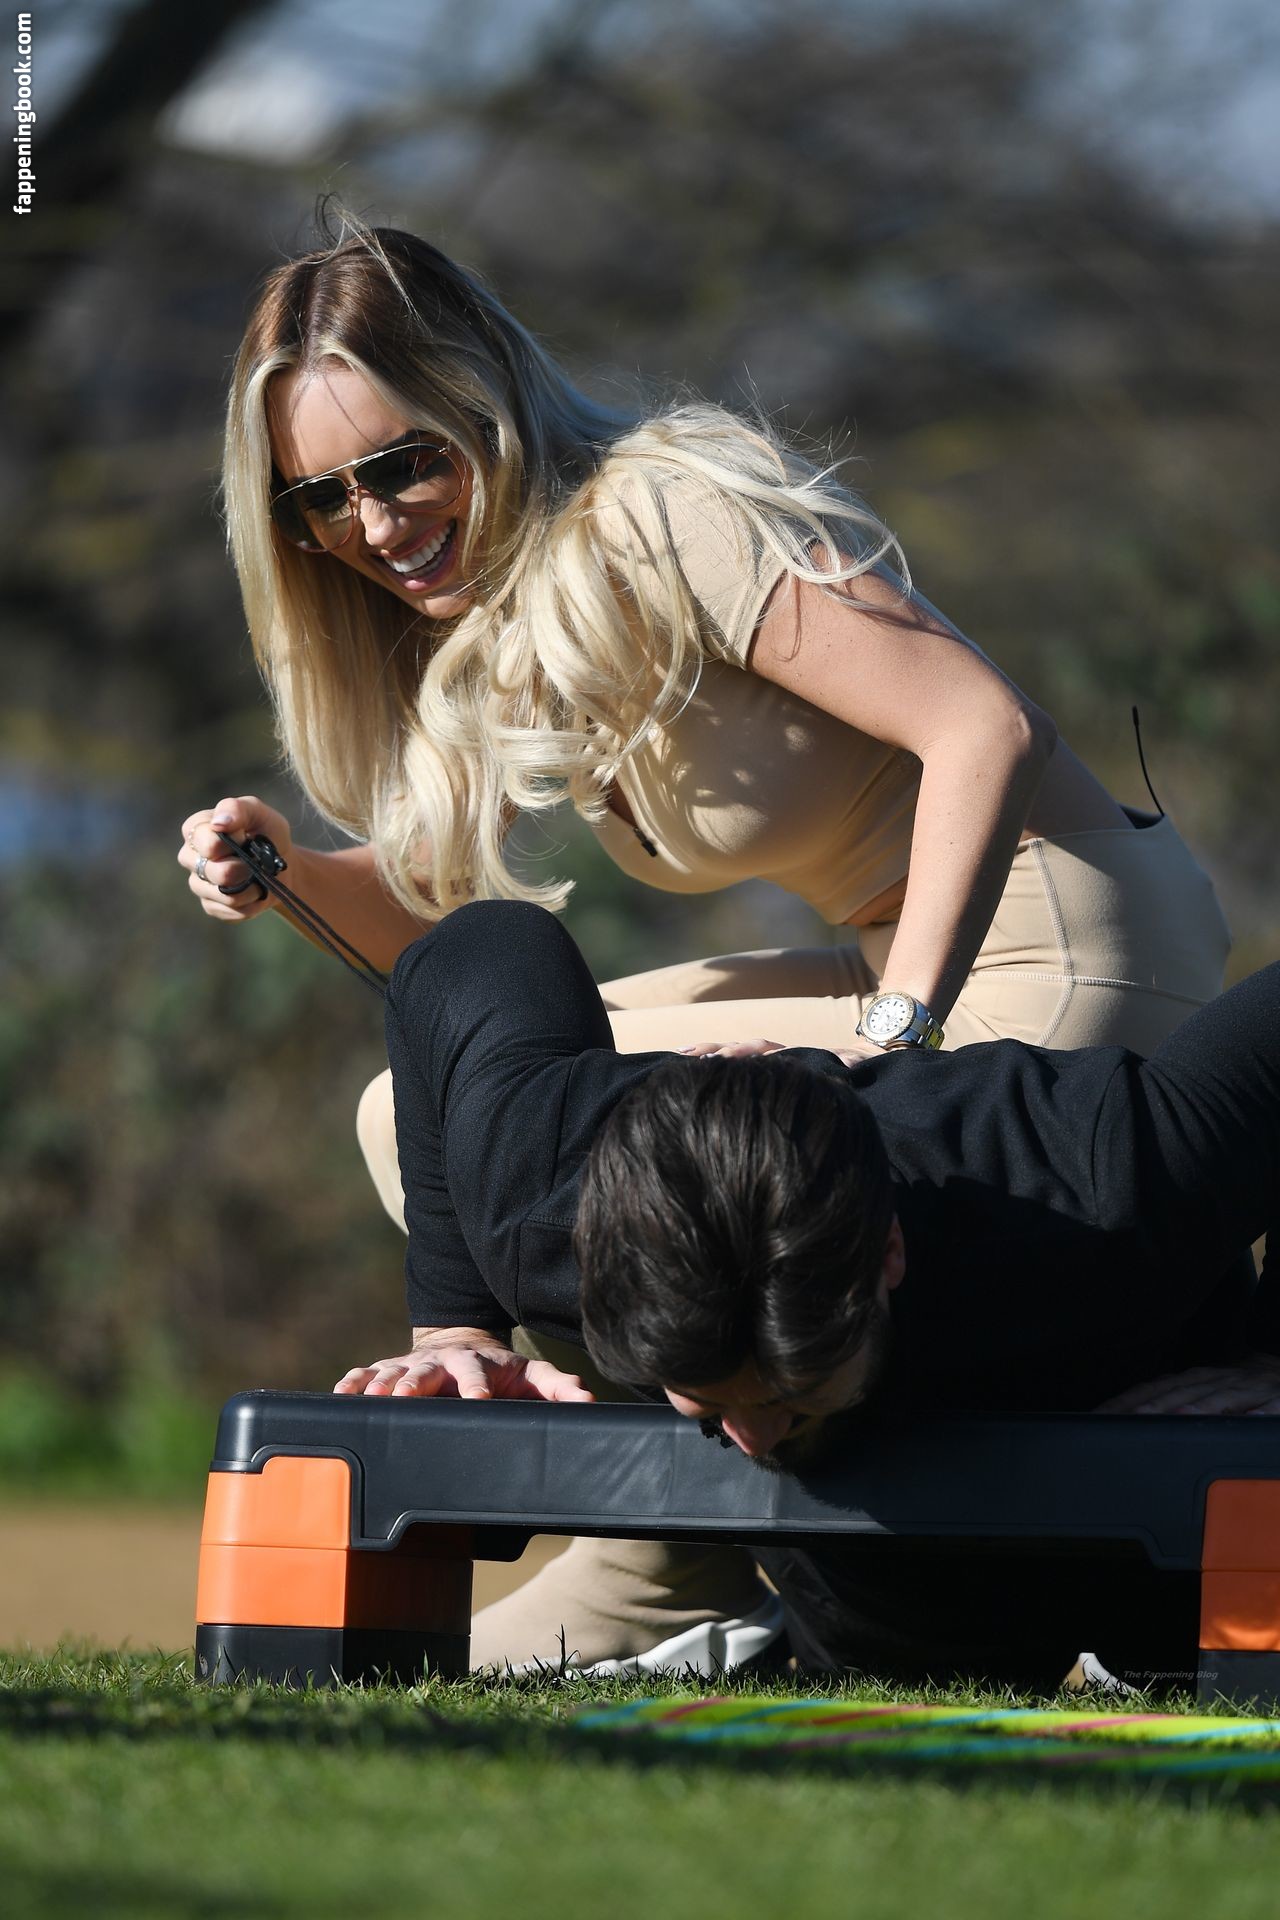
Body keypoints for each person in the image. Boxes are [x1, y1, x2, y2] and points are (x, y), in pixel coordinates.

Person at [180, 211, 1230, 1672]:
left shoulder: (663, 512)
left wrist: (898, 1039)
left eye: (403, 462)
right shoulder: (501, 617)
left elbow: (981, 725)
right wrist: (287, 872)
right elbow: (446, 962)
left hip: (1066, 938)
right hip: (895, 950)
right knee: (416, 1109)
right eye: (320, 498)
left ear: (485, 402)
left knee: (713, 1183)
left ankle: (725, 1564)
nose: (373, 522)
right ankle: (671, 1546)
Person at [334, 899, 1279, 1692]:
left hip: (1154, 1481)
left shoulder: (1105, 1178)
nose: (751, 1436)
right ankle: (761, 1629)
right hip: (872, 1586)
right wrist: (456, 1325)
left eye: (790, 1393)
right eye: (711, 1401)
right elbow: (478, 944)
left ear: (889, 1256)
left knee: (1180, 1655)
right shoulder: (544, 1210)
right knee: (900, 1680)